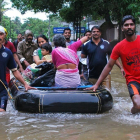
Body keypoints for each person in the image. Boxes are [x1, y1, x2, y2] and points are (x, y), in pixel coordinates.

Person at [86, 15, 140, 114]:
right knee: (137, 104)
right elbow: (109, 66)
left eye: (131, 24)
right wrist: (97, 84)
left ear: (134, 26)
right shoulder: (118, 47)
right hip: (133, 80)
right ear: (122, 28)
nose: (129, 27)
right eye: (126, 25)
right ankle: (133, 116)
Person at [0, 26, 36, 112]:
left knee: (2, 114)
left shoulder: (7, 52)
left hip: (2, 90)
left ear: (4, 36)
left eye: (1, 34)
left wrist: (25, 84)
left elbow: (14, 71)